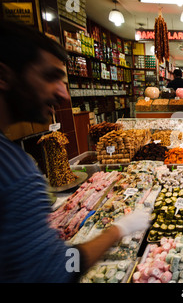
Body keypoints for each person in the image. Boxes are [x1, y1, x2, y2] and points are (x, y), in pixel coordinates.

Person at [0, 21, 150, 282]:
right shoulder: (15, 173)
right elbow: (58, 269)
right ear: (3, 77)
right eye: (49, 77)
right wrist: (119, 229)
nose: (64, 94)